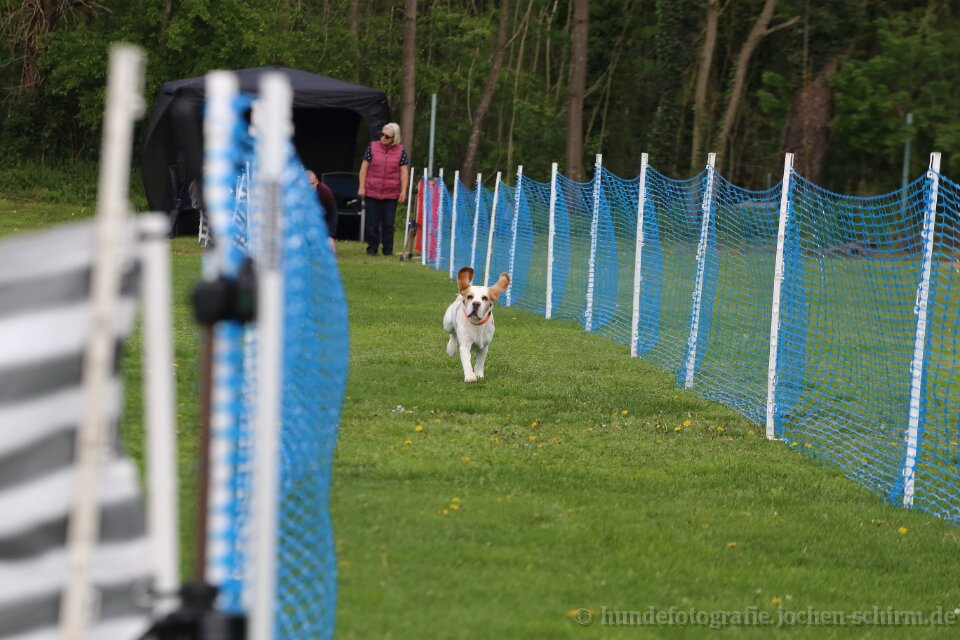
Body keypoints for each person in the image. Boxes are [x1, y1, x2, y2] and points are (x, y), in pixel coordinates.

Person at [358, 122, 409, 256]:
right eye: (382, 134)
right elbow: (363, 169)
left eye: (387, 136)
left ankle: (388, 249)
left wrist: (403, 191)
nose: (383, 138)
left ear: (394, 138)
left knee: (388, 223)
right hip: (372, 191)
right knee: (372, 222)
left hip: (391, 193)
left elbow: (404, 173)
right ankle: (372, 248)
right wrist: (362, 187)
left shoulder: (400, 151)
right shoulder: (372, 147)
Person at [307, 170, 339, 254]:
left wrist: (330, 235)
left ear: (317, 182)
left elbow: (332, 213)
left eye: (312, 184)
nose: (310, 187)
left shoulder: (325, 192)